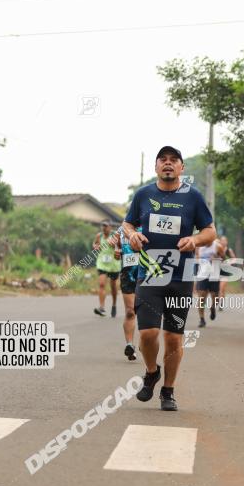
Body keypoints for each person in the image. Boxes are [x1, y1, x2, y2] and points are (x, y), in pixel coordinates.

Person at [121, 146, 216, 412]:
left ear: (181, 168)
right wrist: (132, 235)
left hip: (181, 276)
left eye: (174, 160)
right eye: (163, 159)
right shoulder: (143, 195)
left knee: (174, 337)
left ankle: (168, 390)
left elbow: (210, 231)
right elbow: (127, 223)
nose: (168, 163)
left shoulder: (193, 197)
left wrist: (195, 239)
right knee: (149, 333)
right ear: (156, 167)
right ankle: (152, 372)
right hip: (150, 274)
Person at [114, 224, 143, 361]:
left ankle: (146, 342)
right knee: (130, 311)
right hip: (127, 275)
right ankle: (130, 345)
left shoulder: (149, 226)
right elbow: (117, 247)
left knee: (144, 311)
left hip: (145, 274)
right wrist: (117, 250)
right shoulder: (121, 229)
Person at [195, 237, 224, 328]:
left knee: (214, 296)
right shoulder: (199, 247)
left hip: (214, 274)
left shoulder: (218, 246)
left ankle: (213, 308)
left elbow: (223, 258)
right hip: (203, 274)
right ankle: (202, 319)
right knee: (201, 297)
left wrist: (216, 259)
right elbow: (197, 259)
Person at [93, 221, 120, 317]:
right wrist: (95, 247)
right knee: (101, 284)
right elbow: (95, 244)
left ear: (110, 227)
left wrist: (115, 245)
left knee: (113, 287)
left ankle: (114, 305)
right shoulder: (99, 236)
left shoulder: (115, 235)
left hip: (114, 265)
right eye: (102, 226)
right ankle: (102, 307)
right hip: (102, 264)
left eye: (106, 226)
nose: (104, 228)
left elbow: (120, 247)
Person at [217, 236, 236, 309]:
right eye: (222, 240)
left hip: (225, 272)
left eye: (225, 241)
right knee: (216, 289)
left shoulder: (229, 250)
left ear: (227, 242)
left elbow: (234, 259)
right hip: (217, 271)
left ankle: (221, 303)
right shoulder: (217, 248)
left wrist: (229, 262)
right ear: (220, 241)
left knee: (222, 288)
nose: (223, 242)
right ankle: (218, 300)